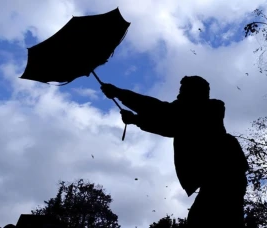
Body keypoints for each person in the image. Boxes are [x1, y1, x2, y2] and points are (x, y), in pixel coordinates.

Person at [101, 75, 249, 228]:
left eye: (183, 90)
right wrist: (136, 120)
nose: (179, 94)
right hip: (222, 178)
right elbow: (169, 124)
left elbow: (164, 113)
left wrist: (120, 94)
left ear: (194, 92)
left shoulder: (208, 109)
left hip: (224, 178)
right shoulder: (196, 113)